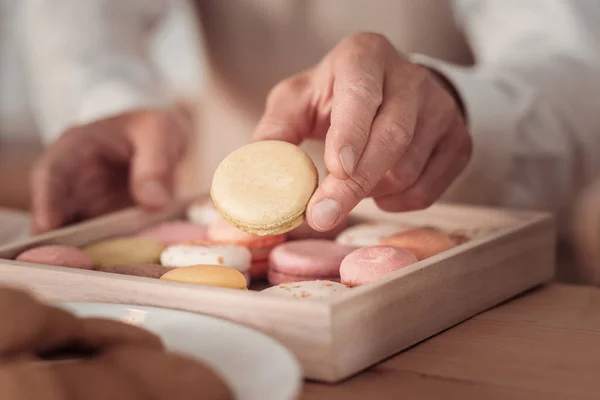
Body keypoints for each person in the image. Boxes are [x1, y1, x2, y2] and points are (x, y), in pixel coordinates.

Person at [20, 0, 600, 242]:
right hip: (222, 225)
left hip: (489, 241)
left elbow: (579, 61)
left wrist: (460, 103)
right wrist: (102, 101)